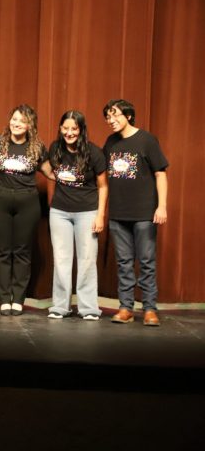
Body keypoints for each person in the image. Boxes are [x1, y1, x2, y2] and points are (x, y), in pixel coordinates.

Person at [103, 99, 168, 326]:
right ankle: (126, 308)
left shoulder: (147, 140)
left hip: (144, 213)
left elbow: (160, 174)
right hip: (118, 213)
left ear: (128, 116)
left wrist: (161, 206)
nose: (111, 120)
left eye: (115, 115)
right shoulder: (110, 142)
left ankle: (149, 309)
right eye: (108, 117)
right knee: (124, 263)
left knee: (147, 261)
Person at [0, 104, 52, 316]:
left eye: (22, 121)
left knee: (22, 252)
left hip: (27, 202)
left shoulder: (37, 147)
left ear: (30, 125)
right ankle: (4, 298)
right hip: (0, 200)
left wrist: (78, 178)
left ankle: (18, 299)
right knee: (2, 251)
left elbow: (51, 172)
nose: (16, 124)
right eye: (14, 119)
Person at [46, 111, 107, 320]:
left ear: (81, 130)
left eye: (74, 128)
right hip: (59, 212)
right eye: (66, 128)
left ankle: (88, 308)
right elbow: (49, 172)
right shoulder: (55, 148)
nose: (69, 133)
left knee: (87, 260)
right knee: (61, 259)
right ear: (60, 128)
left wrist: (100, 215)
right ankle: (60, 306)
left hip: (87, 212)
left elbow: (103, 186)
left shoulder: (93, 152)